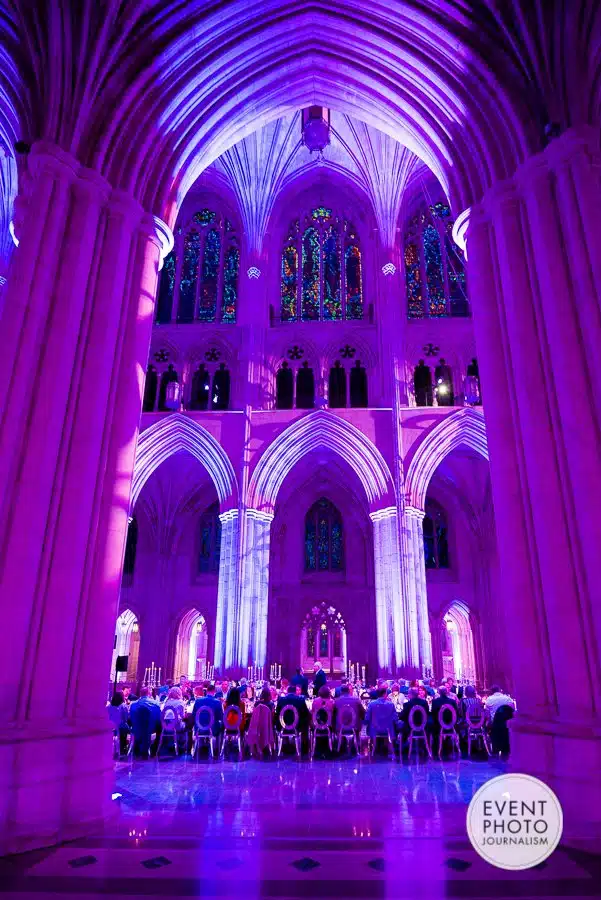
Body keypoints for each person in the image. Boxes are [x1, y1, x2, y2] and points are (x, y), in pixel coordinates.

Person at [130, 687, 161, 758]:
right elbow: (158, 718)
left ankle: (136, 746)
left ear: (140, 694)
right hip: (150, 728)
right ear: (149, 693)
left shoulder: (133, 704)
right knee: (160, 728)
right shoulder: (155, 703)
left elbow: (131, 717)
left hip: (136, 728)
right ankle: (154, 750)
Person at [365, 687, 398, 754]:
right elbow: (395, 718)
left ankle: (374, 749)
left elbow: (367, 718)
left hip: (374, 730)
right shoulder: (391, 704)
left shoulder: (371, 704)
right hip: (388, 730)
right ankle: (390, 748)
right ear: (385, 694)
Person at [246, 689, 276, 758]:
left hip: (257, 726)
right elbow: (273, 716)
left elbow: (253, 714)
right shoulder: (271, 704)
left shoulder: (257, 703)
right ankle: (272, 746)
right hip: (268, 726)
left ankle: (254, 746)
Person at [108, 691, 130, 756]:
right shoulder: (123, 706)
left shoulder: (109, 706)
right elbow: (126, 718)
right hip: (120, 727)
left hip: (111, 726)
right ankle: (124, 748)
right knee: (127, 728)